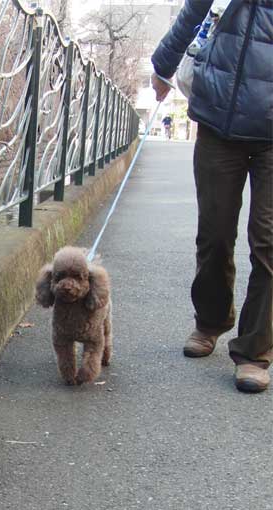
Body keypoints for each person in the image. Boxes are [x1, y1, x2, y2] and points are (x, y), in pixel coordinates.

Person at [151, 0, 273, 393]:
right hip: (219, 116)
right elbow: (193, 11)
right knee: (215, 233)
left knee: (269, 242)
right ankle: (211, 320)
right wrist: (162, 65)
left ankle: (254, 351)